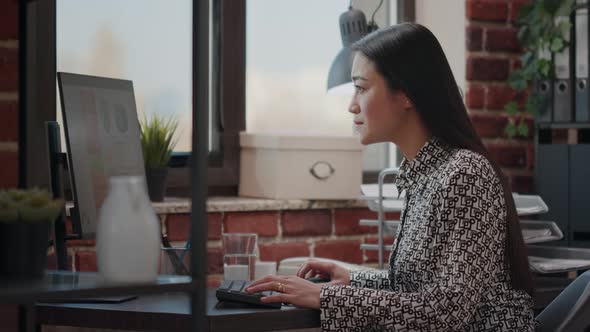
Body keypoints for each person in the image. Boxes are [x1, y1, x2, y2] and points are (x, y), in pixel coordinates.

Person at [246, 22, 535, 331]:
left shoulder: (465, 173)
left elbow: (445, 313)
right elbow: (415, 288)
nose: (351, 105)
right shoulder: (422, 173)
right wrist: (350, 276)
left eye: (361, 87)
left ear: (406, 94)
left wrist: (326, 296)